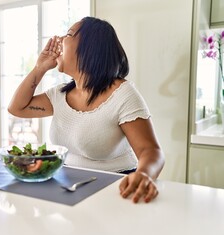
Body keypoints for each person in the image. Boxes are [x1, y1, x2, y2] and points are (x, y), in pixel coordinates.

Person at [8, 16, 165, 203]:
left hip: (115, 187)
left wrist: (145, 175)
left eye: (68, 34)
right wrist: (40, 68)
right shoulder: (59, 95)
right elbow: (17, 108)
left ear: (90, 47)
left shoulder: (123, 94)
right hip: (69, 185)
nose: (59, 39)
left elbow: (151, 151)